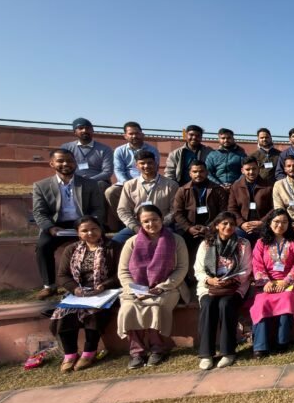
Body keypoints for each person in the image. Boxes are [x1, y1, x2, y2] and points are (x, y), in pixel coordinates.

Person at [117, 204, 189, 369]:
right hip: (136, 289)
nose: (151, 224)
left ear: (162, 219)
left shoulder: (176, 240)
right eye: (146, 221)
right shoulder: (131, 242)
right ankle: (137, 352)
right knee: (128, 308)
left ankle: (157, 348)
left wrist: (161, 287)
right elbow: (123, 271)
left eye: (154, 219)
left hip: (168, 287)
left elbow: (181, 268)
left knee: (156, 306)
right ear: (140, 223)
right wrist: (137, 289)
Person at [32, 149, 107, 299]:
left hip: (84, 222)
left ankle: (99, 281)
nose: (66, 164)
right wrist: (50, 228)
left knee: (103, 243)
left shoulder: (90, 184)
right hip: (56, 225)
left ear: (75, 163)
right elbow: (39, 212)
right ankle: (49, 286)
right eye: (60, 161)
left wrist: (89, 225)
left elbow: (98, 208)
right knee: (43, 246)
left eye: (70, 161)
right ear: (52, 164)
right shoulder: (41, 186)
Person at [50, 216, 120, 372]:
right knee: (63, 313)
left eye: (94, 229)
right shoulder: (71, 249)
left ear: (101, 229)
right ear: (78, 233)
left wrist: (104, 285)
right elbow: (63, 275)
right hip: (79, 292)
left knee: (93, 312)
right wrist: (75, 289)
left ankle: (89, 352)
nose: (90, 233)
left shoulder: (113, 247)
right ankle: (70, 354)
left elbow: (120, 273)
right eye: (85, 230)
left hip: (105, 291)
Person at [194, 212, 252, 370]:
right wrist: (210, 280)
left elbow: (246, 269)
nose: (228, 227)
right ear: (217, 225)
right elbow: (198, 269)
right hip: (210, 285)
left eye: (232, 224)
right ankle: (206, 354)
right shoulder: (206, 244)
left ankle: (228, 352)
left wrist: (231, 279)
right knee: (208, 305)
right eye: (224, 223)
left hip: (235, 285)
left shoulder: (243, 243)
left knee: (226, 305)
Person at [250, 208, 294, 358]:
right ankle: (260, 346)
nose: (280, 225)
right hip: (267, 283)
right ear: (269, 223)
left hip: (289, 283)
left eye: (284, 222)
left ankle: (282, 342)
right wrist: (265, 282)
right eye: (276, 222)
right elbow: (257, 264)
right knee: (261, 302)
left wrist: (286, 282)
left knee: (286, 299)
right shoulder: (261, 242)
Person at [171, 159, 228, 270]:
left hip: (213, 228)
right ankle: (187, 274)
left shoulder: (217, 190)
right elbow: (178, 213)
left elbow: (223, 212)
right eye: (195, 172)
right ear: (190, 173)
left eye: (201, 171)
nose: (198, 174)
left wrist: (209, 228)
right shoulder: (183, 190)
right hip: (189, 230)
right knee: (181, 244)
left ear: (206, 172)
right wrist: (189, 228)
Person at [115, 149, 179, 246]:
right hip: (137, 226)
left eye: (149, 163)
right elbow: (123, 210)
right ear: (137, 165)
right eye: (142, 163)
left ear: (156, 164)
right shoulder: (129, 185)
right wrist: (135, 227)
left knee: (171, 242)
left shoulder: (171, 185)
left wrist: (158, 224)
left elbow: (174, 210)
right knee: (114, 242)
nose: (146, 166)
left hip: (163, 226)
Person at [108, 121, 160, 229]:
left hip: (148, 180)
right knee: (110, 192)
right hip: (125, 182)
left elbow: (154, 167)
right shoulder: (119, 151)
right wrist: (127, 184)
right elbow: (118, 170)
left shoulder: (152, 149)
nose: (134, 136)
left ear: (142, 134)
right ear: (125, 136)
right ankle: (126, 222)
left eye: (137, 133)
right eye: (131, 134)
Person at [228, 155, 273, 242]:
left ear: (258, 169)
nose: (251, 172)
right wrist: (241, 223)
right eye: (248, 169)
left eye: (254, 169)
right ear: (242, 171)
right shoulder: (236, 186)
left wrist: (262, 222)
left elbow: (274, 207)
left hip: (263, 226)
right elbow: (232, 208)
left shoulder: (269, 186)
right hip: (243, 227)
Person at [60, 117, 113, 188]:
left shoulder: (105, 149)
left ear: (92, 130)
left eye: (88, 128)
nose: (84, 130)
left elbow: (108, 172)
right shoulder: (66, 148)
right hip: (73, 180)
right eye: (81, 128)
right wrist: (76, 179)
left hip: (97, 182)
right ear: (75, 132)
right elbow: (63, 167)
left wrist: (89, 180)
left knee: (100, 185)